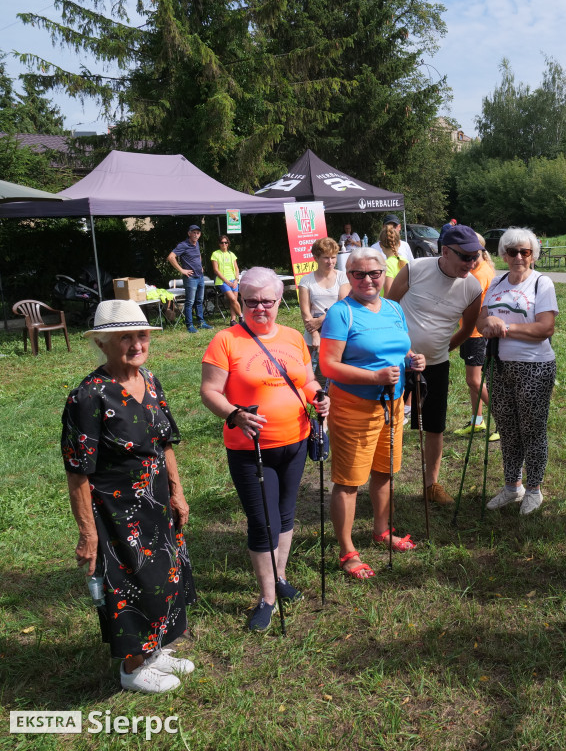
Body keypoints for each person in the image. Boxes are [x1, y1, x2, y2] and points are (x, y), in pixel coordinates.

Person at [61, 299, 196, 693]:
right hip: (117, 513)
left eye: (142, 335)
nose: (137, 344)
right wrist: (88, 533)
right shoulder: (88, 397)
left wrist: (177, 491)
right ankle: (132, 667)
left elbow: (165, 442)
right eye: (126, 338)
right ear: (103, 343)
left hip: (156, 503)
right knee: (129, 584)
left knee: (163, 578)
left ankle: (153, 649)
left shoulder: (150, 381)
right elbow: (78, 473)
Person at [200, 267, 329, 632]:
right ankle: (267, 598)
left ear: (279, 301)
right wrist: (235, 414)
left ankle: (281, 576)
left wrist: (319, 398)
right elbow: (210, 392)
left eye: (267, 301)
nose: (260, 308)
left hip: (296, 441)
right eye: (251, 301)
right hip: (250, 448)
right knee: (263, 523)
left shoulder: (292, 337)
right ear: (241, 301)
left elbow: (308, 380)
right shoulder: (225, 341)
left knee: (286, 515)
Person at [319, 248, 426, 577]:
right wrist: (374, 377)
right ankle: (347, 550)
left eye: (374, 273)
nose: (367, 280)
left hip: (392, 404)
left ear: (384, 274)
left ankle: (382, 531)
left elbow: (398, 344)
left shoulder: (394, 307)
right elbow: (328, 365)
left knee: (385, 471)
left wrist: (412, 358)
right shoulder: (341, 313)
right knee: (349, 481)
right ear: (348, 276)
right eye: (358, 274)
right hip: (354, 407)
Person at [387, 224, 484, 504]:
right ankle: (383, 479)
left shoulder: (472, 287)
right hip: (397, 361)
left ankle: (432, 484)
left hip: (436, 365)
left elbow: (467, 329)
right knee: (388, 421)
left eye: (475, 256)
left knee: (435, 426)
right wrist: (399, 348)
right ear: (445, 251)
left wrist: (443, 349)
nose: (471, 263)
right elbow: (388, 308)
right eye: (465, 257)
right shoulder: (415, 269)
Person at [477, 229, 558, 515]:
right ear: (503, 255)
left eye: (525, 252)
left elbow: (545, 328)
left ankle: (534, 489)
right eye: (512, 252)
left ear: (533, 255)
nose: (519, 257)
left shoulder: (541, 283)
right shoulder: (496, 282)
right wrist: (489, 323)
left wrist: (505, 328)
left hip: (534, 366)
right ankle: (513, 486)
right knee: (508, 429)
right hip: (499, 365)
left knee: (532, 430)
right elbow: (480, 320)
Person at [454, 244, 497, 439]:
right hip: (469, 332)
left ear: (478, 253)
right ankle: (477, 420)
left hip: (475, 334)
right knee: (473, 381)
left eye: (469, 255)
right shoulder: (480, 269)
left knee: (474, 380)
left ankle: (505, 420)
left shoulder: (479, 274)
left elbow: (469, 303)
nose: (466, 259)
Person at [297, 237, 342, 376]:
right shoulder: (306, 281)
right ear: (316, 258)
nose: (331, 262)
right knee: (314, 375)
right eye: (326, 258)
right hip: (313, 333)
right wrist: (315, 335)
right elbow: (305, 312)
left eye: (333, 257)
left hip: (337, 331)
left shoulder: (343, 277)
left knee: (336, 373)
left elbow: (342, 305)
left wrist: (321, 320)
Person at [167, 224, 213, 333]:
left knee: (199, 301)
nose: (196, 235)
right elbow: (171, 257)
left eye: (198, 233)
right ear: (189, 233)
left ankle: (201, 323)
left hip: (200, 277)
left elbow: (198, 255)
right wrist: (182, 270)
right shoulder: (183, 245)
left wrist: (200, 266)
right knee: (190, 302)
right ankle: (190, 325)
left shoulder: (196, 244)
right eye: (194, 233)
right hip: (190, 278)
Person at [211, 235, 242, 325]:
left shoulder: (231, 254)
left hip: (234, 280)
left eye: (226, 242)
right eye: (222, 242)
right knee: (232, 299)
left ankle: (233, 320)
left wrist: (236, 280)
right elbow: (216, 270)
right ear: (219, 244)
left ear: (228, 243)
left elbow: (236, 268)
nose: (224, 244)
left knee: (234, 300)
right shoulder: (215, 254)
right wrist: (226, 281)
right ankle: (241, 316)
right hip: (223, 281)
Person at [377, 223, 408, 297]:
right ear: (399, 243)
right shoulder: (406, 262)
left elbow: (388, 295)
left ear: (381, 245)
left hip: (390, 307)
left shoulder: (386, 265)